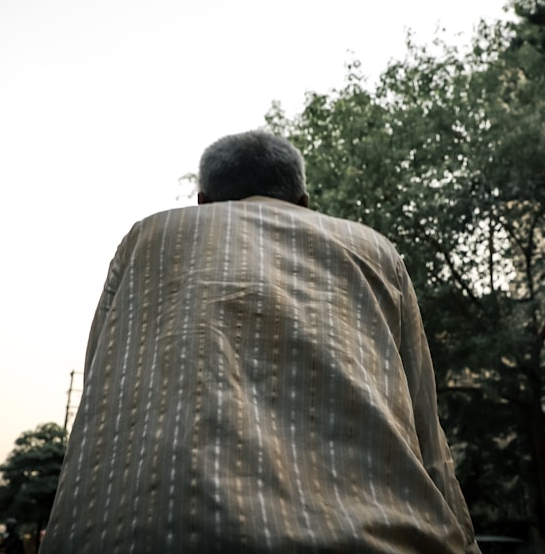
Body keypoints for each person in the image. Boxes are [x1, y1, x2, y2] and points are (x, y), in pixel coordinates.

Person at [41, 131, 480, 553]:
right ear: (304, 203)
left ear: (204, 203)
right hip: (373, 537)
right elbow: (428, 433)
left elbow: (97, 394)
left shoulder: (146, 239)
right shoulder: (377, 251)